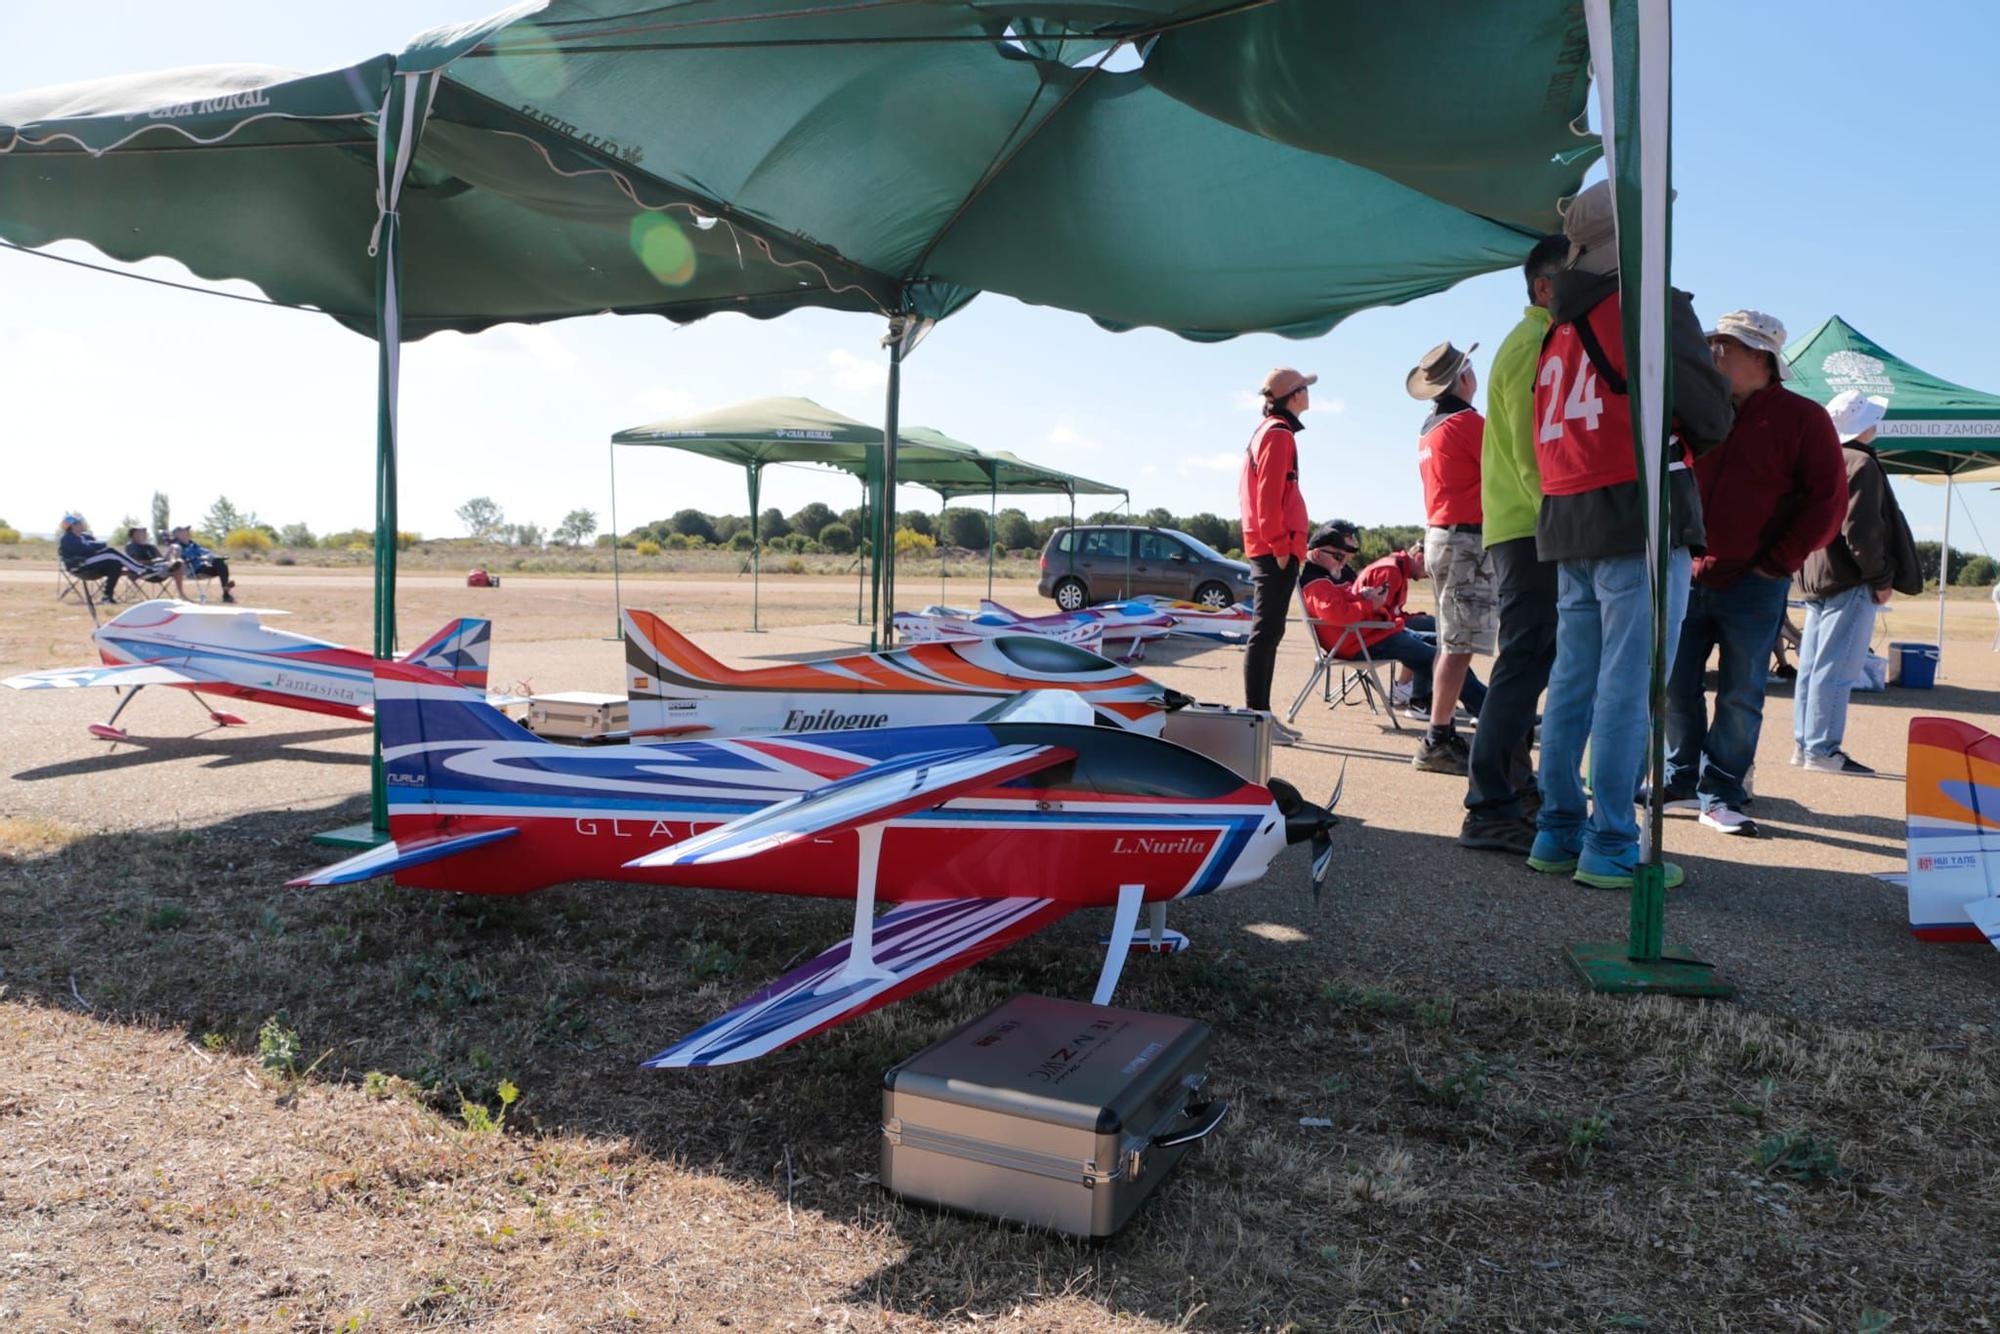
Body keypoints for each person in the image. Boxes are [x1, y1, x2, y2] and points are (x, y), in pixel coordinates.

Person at [1527, 181, 1736, 890]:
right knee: (1629, 685)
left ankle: (1556, 831)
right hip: (1636, 510)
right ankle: (1612, 841)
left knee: (1572, 679)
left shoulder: (1556, 324)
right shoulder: (1651, 303)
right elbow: (1709, 414)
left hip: (1568, 513)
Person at [1663, 311, 1847, 835]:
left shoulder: (1804, 419)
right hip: (1690, 572)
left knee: (1742, 692)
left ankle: (1721, 791)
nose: (1714, 354)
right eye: (1713, 344)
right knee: (1677, 685)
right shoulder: (1697, 411)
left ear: (1761, 358)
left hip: (1756, 581)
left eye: (1726, 346)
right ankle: (1681, 780)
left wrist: (1775, 563)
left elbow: (1827, 504)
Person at [1462, 234, 1570, 855]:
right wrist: (1559, 520)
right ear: (1544, 288)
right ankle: (1489, 804)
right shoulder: (1535, 345)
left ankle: (1512, 786)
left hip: (1523, 524)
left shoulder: (1532, 342)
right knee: (1524, 662)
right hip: (1533, 526)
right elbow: (1538, 451)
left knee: (1529, 662)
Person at [1794, 390, 1920, 775]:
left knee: (1813, 667)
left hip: (1817, 576)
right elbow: (1862, 531)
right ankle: (1822, 749)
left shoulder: (1820, 458)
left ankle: (1806, 745)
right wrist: (1881, 578)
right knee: (1837, 668)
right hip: (1849, 579)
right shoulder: (1860, 463)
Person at [1406, 340, 1496, 774]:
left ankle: (1439, 732)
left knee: (1451, 642)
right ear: (1464, 378)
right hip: (1465, 540)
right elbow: (1506, 469)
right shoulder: (1467, 423)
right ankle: (1438, 737)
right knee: (1459, 645)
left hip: (1441, 536)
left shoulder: (1430, 427)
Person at [1299, 522, 1485, 718]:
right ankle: (1486, 709)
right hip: (1363, 642)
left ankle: (1477, 706)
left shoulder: (1328, 578)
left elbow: (1344, 603)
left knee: (1448, 647)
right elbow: (1337, 614)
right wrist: (1371, 604)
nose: (1343, 561)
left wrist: (1364, 596)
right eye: (1338, 556)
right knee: (1444, 657)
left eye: (1344, 556)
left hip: (1373, 634)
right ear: (1318, 555)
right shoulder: (1317, 584)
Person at [1239, 367, 1315, 743]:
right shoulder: (1279, 435)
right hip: (1275, 550)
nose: (1309, 394)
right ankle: (1258, 721)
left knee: (1269, 633)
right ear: (1294, 395)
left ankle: (1262, 717)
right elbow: (1267, 497)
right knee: (1266, 633)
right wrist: (1282, 547)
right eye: (1305, 389)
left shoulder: (1271, 432)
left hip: (1272, 547)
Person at [55, 513, 157, 604]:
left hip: (90, 563)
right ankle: (142, 569)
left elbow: (92, 545)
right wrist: (100, 545)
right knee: (111, 552)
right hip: (80, 566)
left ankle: (107, 597)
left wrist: (97, 545)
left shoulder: (83, 536)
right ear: (73, 526)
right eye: (79, 522)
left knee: (115, 564)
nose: (81, 524)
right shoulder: (67, 538)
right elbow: (86, 549)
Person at [170, 524, 236, 603]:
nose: (187, 532)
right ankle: (226, 592)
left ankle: (225, 591)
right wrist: (197, 558)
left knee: (220, 562)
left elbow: (208, 553)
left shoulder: (194, 545)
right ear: (177, 535)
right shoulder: (176, 546)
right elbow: (177, 559)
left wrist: (207, 557)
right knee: (220, 565)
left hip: (204, 566)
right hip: (194, 569)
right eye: (183, 530)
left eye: (187, 530)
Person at [122, 525, 189, 600]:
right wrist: (152, 562)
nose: (144, 534)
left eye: (144, 533)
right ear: (133, 536)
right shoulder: (132, 546)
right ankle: (173, 565)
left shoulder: (150, 546)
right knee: (175, 565)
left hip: (159, 568)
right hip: (146, 572)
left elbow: (161, 559)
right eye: (140, 533)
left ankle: (181, 594)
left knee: (176, 551)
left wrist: (170, 552)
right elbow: (134, 562)